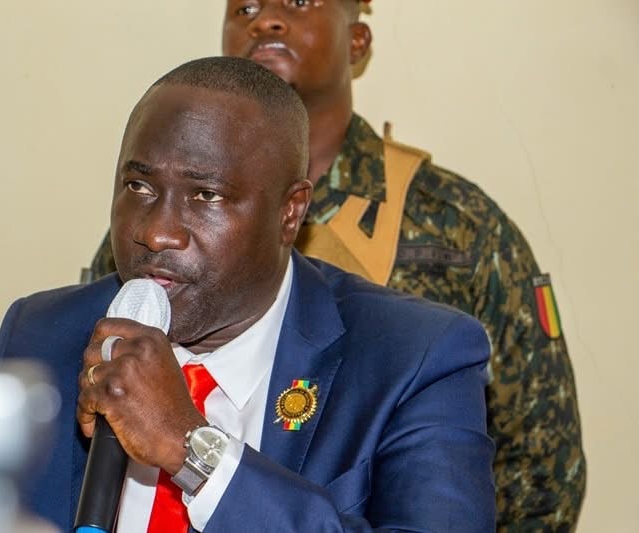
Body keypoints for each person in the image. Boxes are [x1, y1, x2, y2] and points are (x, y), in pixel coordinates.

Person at [86, 2, 585, 530]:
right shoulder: (150, 235)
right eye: (246, 7)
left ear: (358, 42)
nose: (266, 20)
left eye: (299, 2)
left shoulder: (455, 223)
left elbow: (540, 459)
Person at [0, 56, 495, 532]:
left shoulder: (418, 358)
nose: (156, 232)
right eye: (139, 187)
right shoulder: (40, 336)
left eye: (206, 195)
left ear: (290, 213)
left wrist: (192, 451)